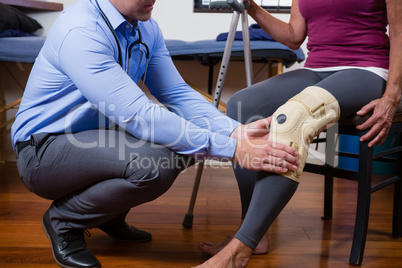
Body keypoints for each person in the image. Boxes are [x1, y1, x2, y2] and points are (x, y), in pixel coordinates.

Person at [10, 0, 301, 267]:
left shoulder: (145, 26)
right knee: (156, 163)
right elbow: (138, 114)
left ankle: (106, 214)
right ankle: (63, 221)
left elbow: (175, 92)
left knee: (181, 146)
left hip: (94, 140)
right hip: (41, 150)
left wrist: (235, 131)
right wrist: (233, 149)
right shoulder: (81, 30)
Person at [196, 0, 402, 267]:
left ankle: (240, 248)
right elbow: (294, 37)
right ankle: (255, 233)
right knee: (241, 105)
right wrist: (253, 7)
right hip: (314, 70)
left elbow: (398, 31)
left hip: (366, 70)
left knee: (292, 119)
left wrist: (392, 95)